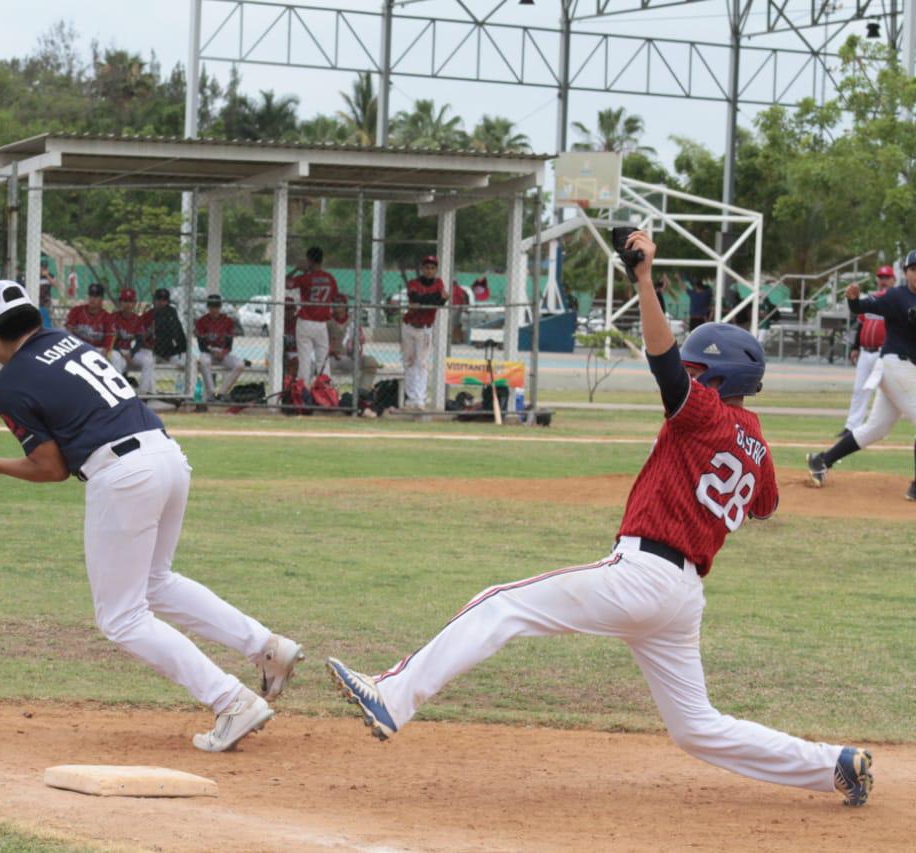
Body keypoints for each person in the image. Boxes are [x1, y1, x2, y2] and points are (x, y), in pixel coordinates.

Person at [327, 230, 875, 808]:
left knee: (500, 604)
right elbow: (765, 506)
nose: (689, 377)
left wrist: (644, 280)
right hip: (682, 596)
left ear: (717, 382)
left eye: (699, 371)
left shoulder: (704, 413)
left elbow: (663, 360)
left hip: (643, 574)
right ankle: (833, 765)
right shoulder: (756, 442)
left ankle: (392, 695)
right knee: (696, 727)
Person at [0, 280, 305, 751]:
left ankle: (231, 700)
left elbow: (52, 467)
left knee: (121, 618)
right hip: (166, 456)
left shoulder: (10, 383)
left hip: (123, 475)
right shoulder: (65, 341)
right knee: (156, 582)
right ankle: (267, 647)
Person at [807, 250, 916, 501]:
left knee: (876, 428)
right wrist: (853, 299)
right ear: (906, 272)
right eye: (914, 269)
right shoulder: (897, 296)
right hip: (894, 364)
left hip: (908, 370)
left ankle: (821, 460)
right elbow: (864, 306)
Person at [841, 266, 893, 435]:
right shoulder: (871, 300)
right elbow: (861, 324)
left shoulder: (895, 301)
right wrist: (855, 347)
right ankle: (851, 427)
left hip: (883, 352)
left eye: (887, 277)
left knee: (885, 393)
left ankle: (875, 428)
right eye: (881, 277)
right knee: (859, 389)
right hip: (865, 351)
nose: (883, 281)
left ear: (893, 280)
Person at [400, 255, 448, 409]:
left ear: (436, 270)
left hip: (425, 328)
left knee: (421, 364)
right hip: (409, 326)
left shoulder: (439, 283)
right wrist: (437, 298)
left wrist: (434, 300)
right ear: (422, 268)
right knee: (409, 362)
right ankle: (411, 399)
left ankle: (420, 399)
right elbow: (415, 298)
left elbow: (437, 303)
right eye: (426, 267)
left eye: (432, 268)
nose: (429, 270)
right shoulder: (413, 283)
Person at [286, 247, 338, 384]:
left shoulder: (305, 278)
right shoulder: (329, 278)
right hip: (321, 324)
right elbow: (334, 296)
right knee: (322, 359)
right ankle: (325, 387)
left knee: (304, 359)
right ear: (321, 260)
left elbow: (286, 283)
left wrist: (297, 269)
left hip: (305, 321)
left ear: (309, 260)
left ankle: (302, 388)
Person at [138, 287, 189, 396]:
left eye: (164, 300)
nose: (161, 302)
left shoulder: (172, 314)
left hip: (168, 354)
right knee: (149, 360)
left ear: (168, 301)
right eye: (159, 299)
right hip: (152, 353)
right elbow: (140, 339)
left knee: (189, 361)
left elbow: (179, 336)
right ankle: (148, 394)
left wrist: (181, 351)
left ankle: (187, 395)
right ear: (154, 300)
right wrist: (149, 333)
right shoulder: (147, 316)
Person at [195, 294, 244, 401]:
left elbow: (229, 345)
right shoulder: (201, 321)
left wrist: (224, 352)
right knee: (204, 361)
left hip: (222, 353)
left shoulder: (227, 321)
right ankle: (211, 393)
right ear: (208, 307)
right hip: (208, 352)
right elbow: (201, 346)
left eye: (216, 306)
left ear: (220, 307)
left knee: (240, 365)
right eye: (212, 306)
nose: (214, 309)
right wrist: (213, 351)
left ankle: (222, 393)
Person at [327, 294, 379, 391]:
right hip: (331, 359)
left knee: (371, 362)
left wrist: (358, 343)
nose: (337, 307)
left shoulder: (353, 322)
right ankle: (324, 393)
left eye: (340, 304)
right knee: (317, 364)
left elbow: (361, 341)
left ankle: (363, 392)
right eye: (335, 304)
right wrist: (329, 351)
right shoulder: (327, 321)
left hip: (349, 358)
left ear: (346, 306)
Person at [109, 288, 149, 379]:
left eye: (130, 301)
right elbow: (110, 340)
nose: (127, 304)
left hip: (130, 351)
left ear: (134, 303)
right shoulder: (113, 317)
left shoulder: (137, 320)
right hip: (116, 350)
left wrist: (132, 353)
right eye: (125, 301)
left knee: (148, 360)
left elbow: (139, 341)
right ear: (120, 302)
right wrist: (122, 353)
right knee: (116, 358)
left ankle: (146, 387)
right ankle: (118, 385)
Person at [66, 283, 115, 357]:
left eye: (96, 296)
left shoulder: (107, 317)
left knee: (114, 355)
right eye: (91, 295)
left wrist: (106, 351)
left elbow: (109, 340)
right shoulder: (76, 311)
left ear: (102, 299)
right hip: (78, 348)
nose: (92, 299)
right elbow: (68, 332)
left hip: (97, 350)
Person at [39, 260, 58, 328]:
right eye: (42, 267)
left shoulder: (51, 275)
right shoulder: (36, 275)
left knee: (47, 316)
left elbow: (54, 284)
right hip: (38, 299)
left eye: (45, 267)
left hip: (46, 300)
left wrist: (47, 275)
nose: (44, 269)